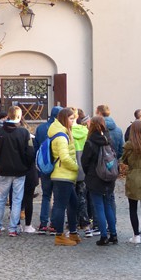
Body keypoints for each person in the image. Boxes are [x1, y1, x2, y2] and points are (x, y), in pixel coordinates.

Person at [0, 106, 33, 237]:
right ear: (19, 117)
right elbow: (30, 153)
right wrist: (26, 166)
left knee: (0, 199)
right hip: (20, 170)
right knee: (17, 199)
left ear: (8, 115)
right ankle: (13, 228)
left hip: (4, 170)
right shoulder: (24, 132)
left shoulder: (0, 132)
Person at [81, 115, 119, 245]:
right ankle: (113, 234)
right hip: (109, 177)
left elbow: (84, 162)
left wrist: (89, 174)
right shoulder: (109, 139)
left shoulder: (90, 142)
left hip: (95, 178)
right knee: (108, 205)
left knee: (99, 207)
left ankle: (103, 236)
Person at [49, 107, 81, 246]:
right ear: (64, 119)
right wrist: (76, 167)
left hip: (65, 174)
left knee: (73, 203)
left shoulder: (63, 132)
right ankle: (59, 235)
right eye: (71, 118)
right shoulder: (61, 136)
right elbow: (65, 157)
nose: (73, 121)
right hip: (63, 175)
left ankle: (72, 232)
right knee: (61, 206)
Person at [34, 105, 62, 233]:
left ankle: (43, 223)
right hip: (58, 167)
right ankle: (54, 224)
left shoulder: (40, 128)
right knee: (57, 197)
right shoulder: (61, 129)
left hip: (44, 166)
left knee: (46, 196)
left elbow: (36, 149)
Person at [72, 110, 94, 236]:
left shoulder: (67, 133)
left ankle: (73, 224)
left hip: (70, 169)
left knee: (71, 198)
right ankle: (85, 224)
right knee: (82, 198)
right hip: (83, 170)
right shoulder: (86, 132)